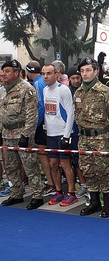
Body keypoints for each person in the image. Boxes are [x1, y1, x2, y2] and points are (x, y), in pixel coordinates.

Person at [74, 58, 109, 218]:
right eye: (82, 71)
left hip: (100, 138)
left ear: (96, 71)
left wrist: (103, 133)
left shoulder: (105, 92)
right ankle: (94, 201)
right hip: (83, 137)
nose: (84, 74)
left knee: (102, 171)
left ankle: (107, 203)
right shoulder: (79, 92)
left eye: (88, 70)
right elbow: (77, 114)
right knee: (87, 170)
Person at [0, 59, 44, 210]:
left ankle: (37, 195)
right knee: (11, 168)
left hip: (22, 134)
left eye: (7, 71)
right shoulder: (5, 88)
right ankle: (16, 193)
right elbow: (2, 113)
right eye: (3, 71)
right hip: (7, 134)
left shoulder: (27, 89)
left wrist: (26, 135)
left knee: (30, 166)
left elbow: (32, 114)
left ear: (17, 73)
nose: (4, 74)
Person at [42, 64, 76, 206]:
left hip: (63, 133)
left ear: (56, 74)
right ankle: (58, 191)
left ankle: (71, 192)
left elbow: (70, 113)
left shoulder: (63, 90)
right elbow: (47, 111)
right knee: (52, 164)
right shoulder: (44, 90)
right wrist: (45, 127)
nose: (45, 76)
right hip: (50, 133)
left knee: (65, 163)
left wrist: (66, 135)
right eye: (43, 73)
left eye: (48, 73)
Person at [26, 61, 55, 197]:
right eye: (43, 73)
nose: (45, 76)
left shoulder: (37, 83)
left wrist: (36, 124)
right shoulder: (41, 83)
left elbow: (41, 106)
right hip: (48, 123)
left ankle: (50, 182)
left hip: (43, 123)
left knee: (43, 154)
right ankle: (52, 181)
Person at [66, 66, 86, 198]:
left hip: (85, 131)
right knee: (76, 160)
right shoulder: (66, 92)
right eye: (73, 78)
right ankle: (83, 184)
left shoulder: (86, 91)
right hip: (71, 131)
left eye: (78, 78)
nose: (76, 80)